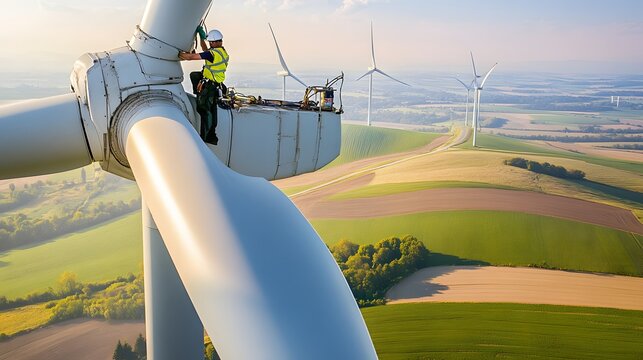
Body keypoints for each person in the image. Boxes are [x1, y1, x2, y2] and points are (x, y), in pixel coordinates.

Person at [179, 26, 229, 145]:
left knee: (204, 109)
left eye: (211, 42)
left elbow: (191, 57)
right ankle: (200, 94)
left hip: (211, 86)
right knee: (195, 75)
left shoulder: (212, 54)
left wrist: (178, 53)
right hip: (214, 84)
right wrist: (201, 37)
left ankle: (207, 137)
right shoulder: (221, 52)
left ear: (215, 42)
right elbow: (205, 49)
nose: (210, 44)